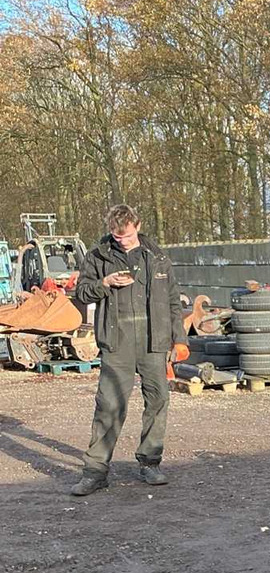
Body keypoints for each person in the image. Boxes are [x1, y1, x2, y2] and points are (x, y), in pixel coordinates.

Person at [69, 204, 187, 496]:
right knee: (109, 405)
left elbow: (173, 300)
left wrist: (180, 339)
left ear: (138, 225)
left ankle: (150, 462)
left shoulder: (157, 256)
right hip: (117, 341)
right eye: (117, 236)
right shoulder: (98, 256)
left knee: (157, 400)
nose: (122, 240)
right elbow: (81, 293)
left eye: (128, 235)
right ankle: (95, 471)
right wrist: (104, 283)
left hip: (153, 341)